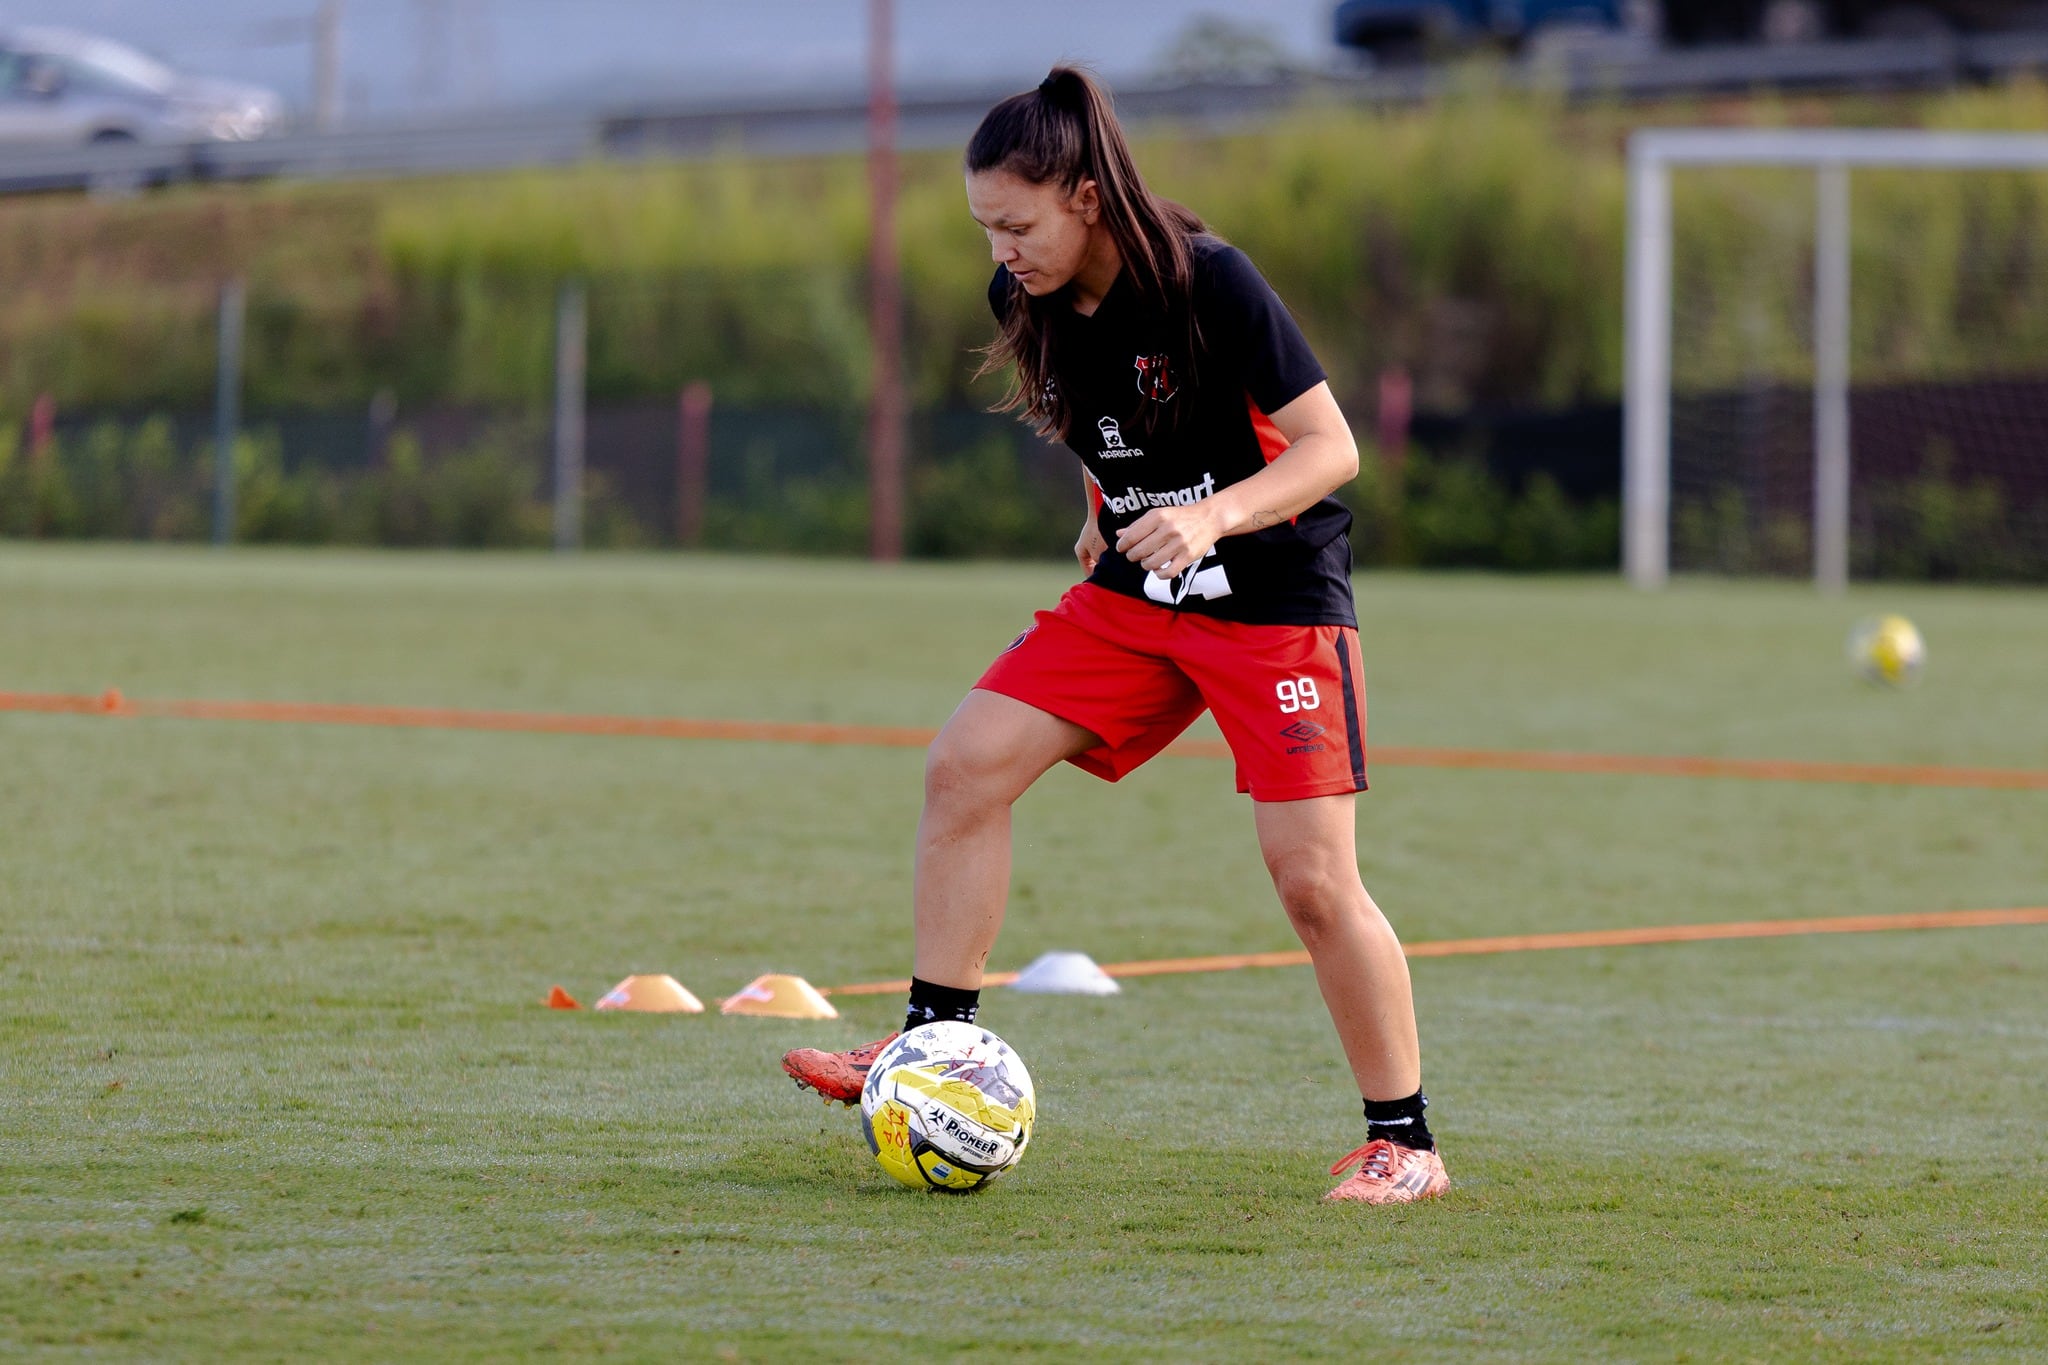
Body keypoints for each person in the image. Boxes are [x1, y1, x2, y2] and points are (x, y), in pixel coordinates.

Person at [782, 65, 1448, 1205]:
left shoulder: (1211, 282)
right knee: (965, 766)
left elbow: (1327, 450)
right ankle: (927, 1047)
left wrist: (1209, 517)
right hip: (1142, 597)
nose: (1000, 250)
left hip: (1273, 600)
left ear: (1084, 197)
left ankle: (1406, 1144)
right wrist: (1105, 517)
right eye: (984, 227)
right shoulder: (1026, 300)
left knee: (1311, 883)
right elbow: (1107, 432)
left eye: (1016, 223)